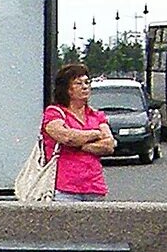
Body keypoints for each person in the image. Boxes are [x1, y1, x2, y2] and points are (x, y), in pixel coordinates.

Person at [41, 63, 116, 202]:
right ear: (67, 89)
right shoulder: (54, 113)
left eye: (87, 82)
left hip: (94, 186)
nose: (85, 87)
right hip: (64, 188)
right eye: (78, 83)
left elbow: (109, 145)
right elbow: (67, 137)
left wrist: (80, 144)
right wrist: (95, 134)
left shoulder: (96, 115)